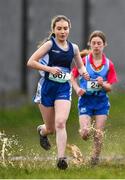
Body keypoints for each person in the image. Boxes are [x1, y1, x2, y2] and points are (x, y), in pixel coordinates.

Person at [27, 15, 89, 169]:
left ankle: (61, 159)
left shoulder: (73, 48)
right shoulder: (49, 45)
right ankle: (42, 132)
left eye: (65, 28)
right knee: (51, 128)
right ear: (54, 30)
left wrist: (84, 73)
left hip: (63, 88)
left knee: (61, 122)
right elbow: (31, 62)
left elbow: (80, 66)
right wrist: (49, 69)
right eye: (59, 28)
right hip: (47, 88)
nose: (62, 31)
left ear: (69, 29)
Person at [71, 30, 118, 165]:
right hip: (86, 101)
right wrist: (77, 89)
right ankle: (85, 131)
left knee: (98, 134)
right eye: (94, 43)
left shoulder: (109, 65)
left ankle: (94, 160)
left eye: (99, 43)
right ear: (90, 44)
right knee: (85, 134)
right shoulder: (83, 62)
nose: (96, 46)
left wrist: (103, 84)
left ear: (104, 45)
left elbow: (110, 87)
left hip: (101, 103)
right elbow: (72, 77)